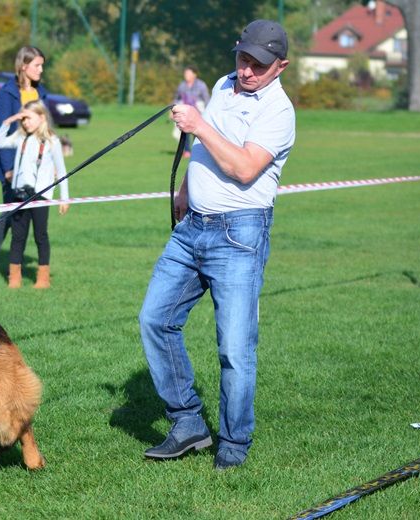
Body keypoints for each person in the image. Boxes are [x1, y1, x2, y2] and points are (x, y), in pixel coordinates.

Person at [138, 19, 295, 470]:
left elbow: (245, 168)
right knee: (155, 319)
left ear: (280, 67)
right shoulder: (225, 85)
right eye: (242, 58)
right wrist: (186, 189)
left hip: (239, 235)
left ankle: (233, 444)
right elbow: (206, 152)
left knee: (234, 348)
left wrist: (200, 125)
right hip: (192, 229)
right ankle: (187, 422)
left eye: (258, 65)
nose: (246, 70)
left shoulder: (279, 112)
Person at [0, 46, 48, 277]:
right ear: (23, 66)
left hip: (36, 168)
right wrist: (8, 169)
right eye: (37, 65)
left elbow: (46, 130)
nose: (41, 70)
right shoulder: (6, 93)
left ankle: (20, 267)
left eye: (42, 65)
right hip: (12, 166)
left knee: (33, 218)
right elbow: (2, 131)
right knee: (8, 214)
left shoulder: (41, 93)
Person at [0, 101, 69, 289]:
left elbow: (62, 171)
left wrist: (64, 197)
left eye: (28, 118)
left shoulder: (52, 141)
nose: (25, 122)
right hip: (19, 195)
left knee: (40, 236)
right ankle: (14, 278)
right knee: (18, 237)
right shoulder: (20, 137)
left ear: (42, 117)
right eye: (23, 118)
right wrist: (9, 122)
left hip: (41, 196)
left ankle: (43, 279)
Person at [172, 65, 210, 158]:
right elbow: (177, 98)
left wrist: (207, 113)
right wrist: (172, 110)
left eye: (188, 73)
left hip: (198, 112)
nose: (186, 75)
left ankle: (197, 150)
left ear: (195, 74)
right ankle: (187, 150)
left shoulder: (201, 85)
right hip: (185, 112)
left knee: (196, 132)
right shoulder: (182, 85)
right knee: (184, 131)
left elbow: (206, 100)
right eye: (185, 73)